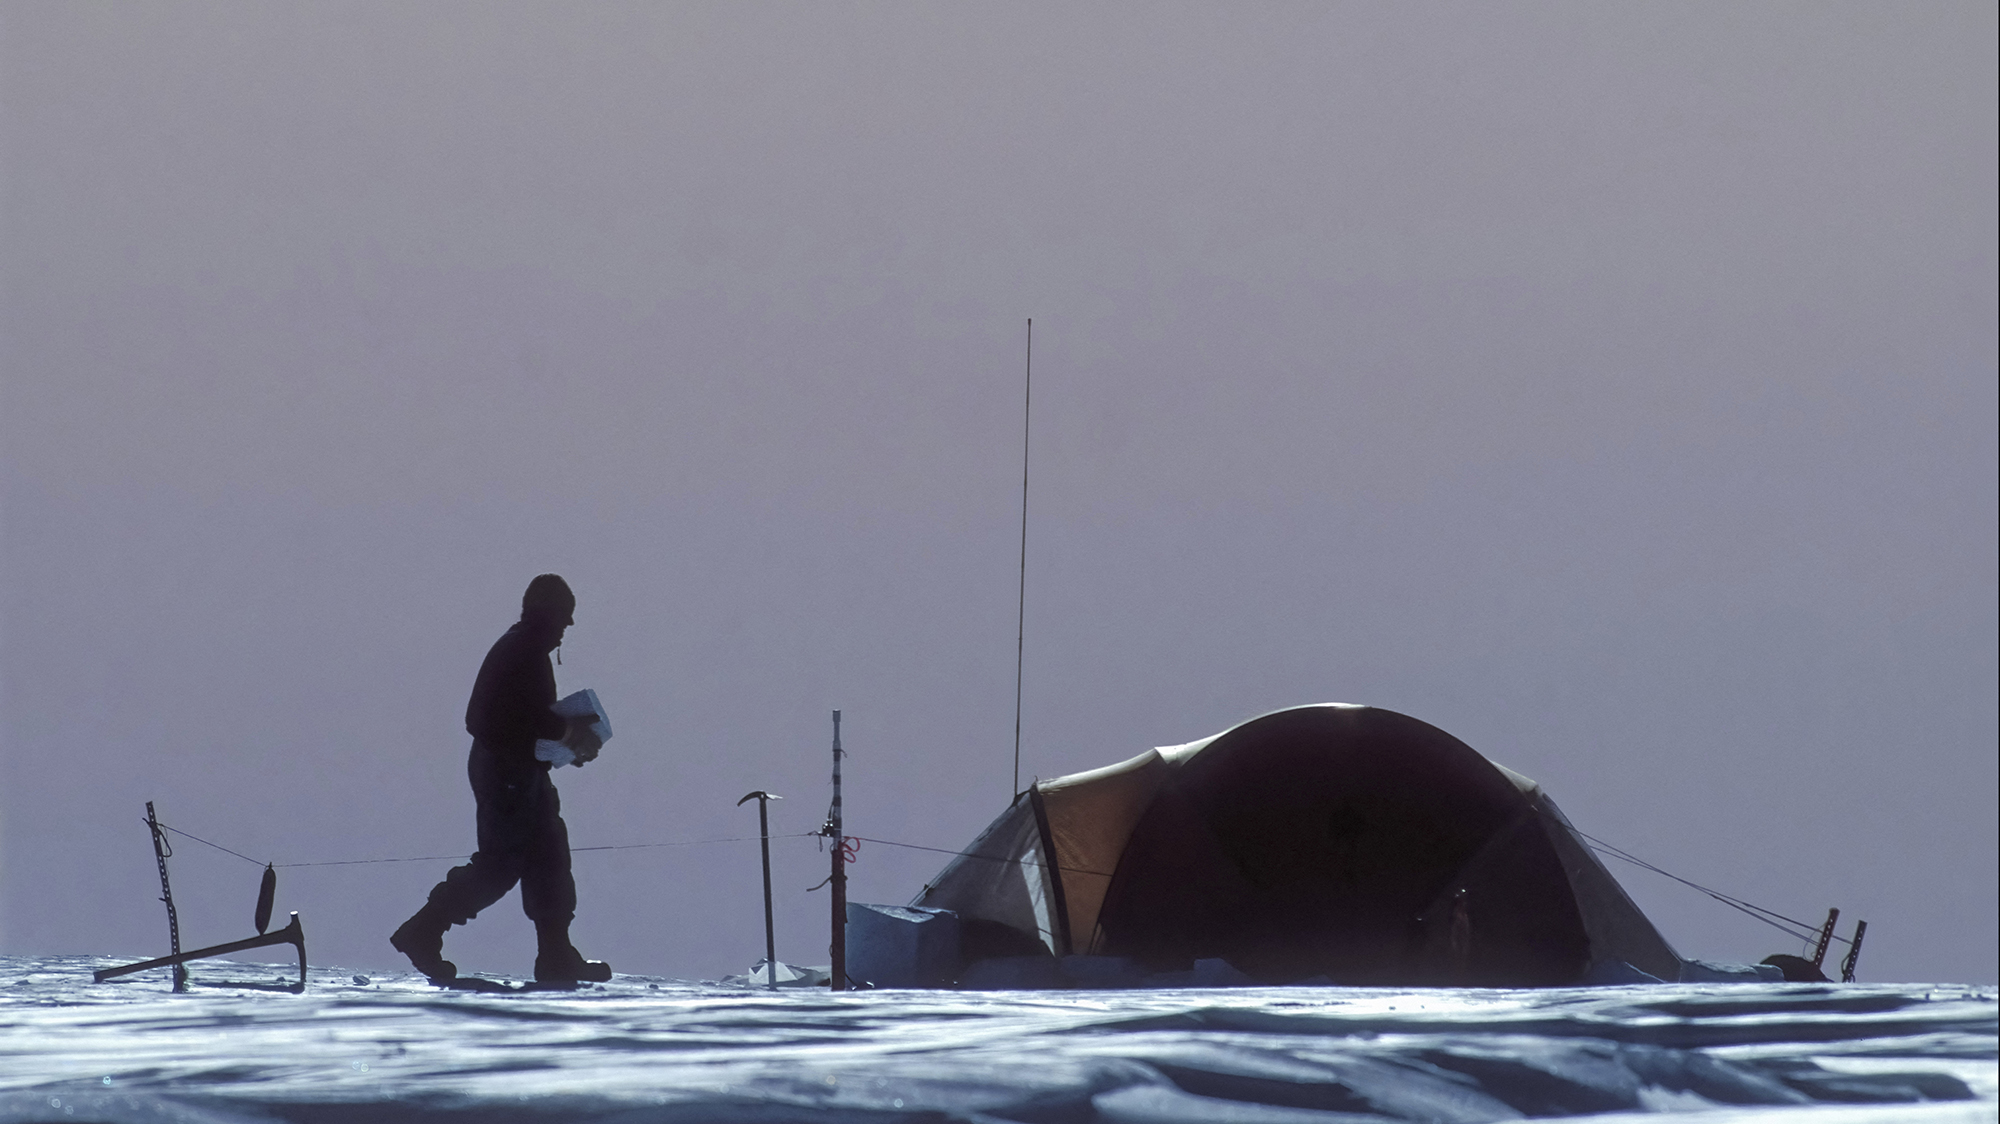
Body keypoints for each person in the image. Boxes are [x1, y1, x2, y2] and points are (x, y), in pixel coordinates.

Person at [391, 573, 612, 983]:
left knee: (549, 857)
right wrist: (568, 733)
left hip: (522, 771)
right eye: (565, 616)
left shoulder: (526, 649)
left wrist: (564, 746)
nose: (569, 626)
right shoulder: (521, 650)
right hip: (505, 774)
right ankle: (422, 932)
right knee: (500, 865)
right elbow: (492, 719)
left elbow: (522, 719)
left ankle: (556, 955)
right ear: (547, 614)